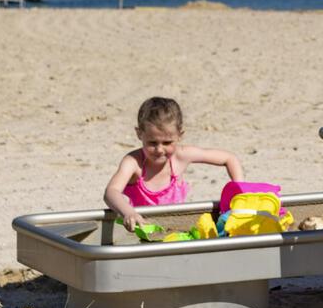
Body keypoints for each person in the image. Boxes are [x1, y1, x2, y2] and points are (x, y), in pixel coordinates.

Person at [103, 97, 244, 231]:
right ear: (139, 134)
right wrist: (128, 212)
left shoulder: (181, 156)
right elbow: (111, 191)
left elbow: (229, 159)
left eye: (167, 143)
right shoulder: (134, 163)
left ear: (179, 135)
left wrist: (240, 194)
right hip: (142, 229)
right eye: (152, 143)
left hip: (175, 229)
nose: (159, 149)